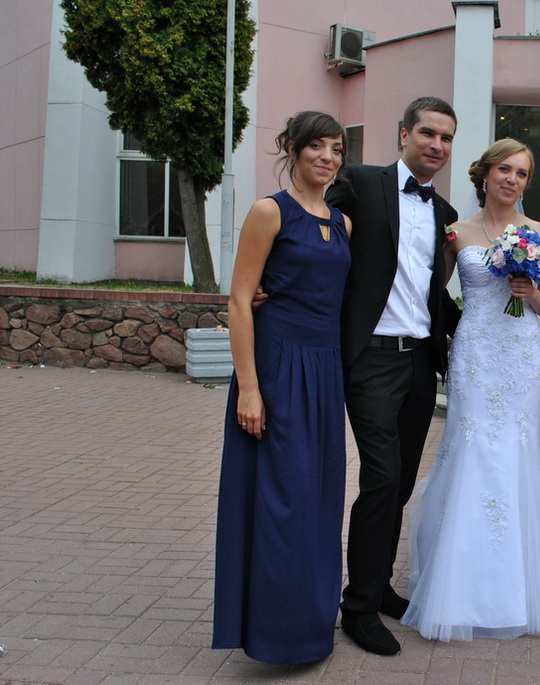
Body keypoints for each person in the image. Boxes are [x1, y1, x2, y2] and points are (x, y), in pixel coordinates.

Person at [401, 139, 540, 640]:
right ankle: (458, 583)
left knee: (517, 454)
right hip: (475, 355)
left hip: (522, 357)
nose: (512, 180)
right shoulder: (456, 231)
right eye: (505, 169)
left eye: (522, 173)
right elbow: (425, 288)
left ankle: (515, 587)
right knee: (474, 450)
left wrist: (530, 292)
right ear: (485, 174)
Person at [212, 111, 351, 663]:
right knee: (283, 499)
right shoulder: (269, 211)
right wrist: (249, 388)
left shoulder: (343, 223)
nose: (328, 157)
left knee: (320, 498)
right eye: (317, 146)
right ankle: (276, 634)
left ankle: (313, 627)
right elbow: (239, 300)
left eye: (337, 149)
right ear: (292, 148)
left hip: (325, 369)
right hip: (278, 367)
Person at [323, 97, 459, 656]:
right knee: (381, 478)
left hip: (420, 360)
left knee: (399, 484)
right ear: (404, 134)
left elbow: (433, 291)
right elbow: (310, 222)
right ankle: (357, 608)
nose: (436, 145)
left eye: (446, 138)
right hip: (372, 357)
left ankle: (377, 588)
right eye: (428, 133)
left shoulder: (446, 212)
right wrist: (270, 280)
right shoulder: (359, 182)